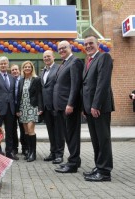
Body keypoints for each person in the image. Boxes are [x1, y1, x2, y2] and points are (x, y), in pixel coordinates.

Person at [82, 35, 115, 182]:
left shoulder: (104, 57)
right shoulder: (89, 61)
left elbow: (103, 83)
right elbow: (86, 87)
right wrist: (85, 107)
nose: (88, 46)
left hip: (99, 108)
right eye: (86, 44)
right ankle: (98, 166)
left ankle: (105, 172)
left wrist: (96, 105)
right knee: (96, 140)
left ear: (98, 44)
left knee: (103, 139)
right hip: (90, 109)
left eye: (91, 43)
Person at [53, 40, 83, 173]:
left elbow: (75, 85)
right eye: (59, 49)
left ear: (70, 48)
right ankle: (73, 159)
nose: (61, 51)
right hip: (61, 106)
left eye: (64, 48)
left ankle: (73, 163)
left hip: (68, 106)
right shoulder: (64, 63)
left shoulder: (75, 62)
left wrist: (70, 103)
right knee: (67, 134)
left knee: (72, 135)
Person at [0, 56, 18, 160]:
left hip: (10, 109)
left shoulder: (12, 77)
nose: (3, 65)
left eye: (5, 63)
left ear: (8, 65)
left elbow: (14, 94)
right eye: (1, 63)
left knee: (10, 132)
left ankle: (9, 152)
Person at [41, 50, 65, 164]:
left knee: (59, 131)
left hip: (56, 105)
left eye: (48, 56)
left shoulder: (59, 69)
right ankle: (53, 152)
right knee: (51, 131)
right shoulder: (43, 71)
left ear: (53, 57)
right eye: (44, 57)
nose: (46, 58)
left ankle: (59, 154)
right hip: (46, 107)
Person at [16, 61, 43, 162]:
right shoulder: (21, 80)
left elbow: (40, 94)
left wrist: (40, 108)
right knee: (26, 131)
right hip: (23, 107)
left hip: (32, 107)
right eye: (25, 67)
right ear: (23, 69)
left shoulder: (36, 79)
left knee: (31, 130)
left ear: (32, 68)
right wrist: (17, 109)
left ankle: (33, 154)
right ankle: (29, 151)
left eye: (29, 67)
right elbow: (19, 96)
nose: (27, 68)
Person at [10, 64, 27, 156]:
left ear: (19, 70)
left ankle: (25, 148)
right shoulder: (9, 80)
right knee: (13, 129)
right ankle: (14, 148)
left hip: (22, 108)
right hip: (12, 109)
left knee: (23, 129)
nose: (15, 71)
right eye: (12, 70)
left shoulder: (24, 80)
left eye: (16, 69)